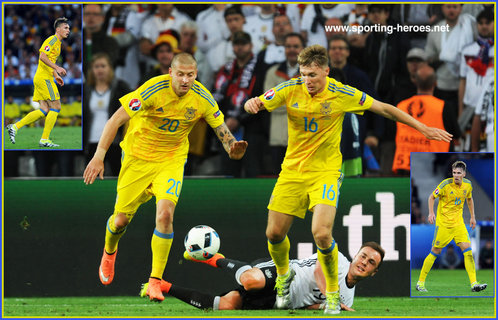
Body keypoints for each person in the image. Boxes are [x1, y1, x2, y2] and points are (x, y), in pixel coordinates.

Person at [244, 44, 452, 314]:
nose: (308, 81)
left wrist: (422, 128)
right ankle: (284, 277)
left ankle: (332, 295)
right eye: (304, 74)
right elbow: (259, 102)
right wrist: (252, 104)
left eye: (314, 75)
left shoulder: (342, 93)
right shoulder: (290, 88)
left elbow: (385, 109)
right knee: (273, 233)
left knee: (321, 233)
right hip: (293, 171)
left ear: (327, 72)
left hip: (327, 172)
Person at [83, 53, 248, 302]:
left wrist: (232, 147)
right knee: (119, 221)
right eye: (180, 74)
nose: (185, 80)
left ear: (195, 75)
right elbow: (116, 119)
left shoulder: (202, 97)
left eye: (190, 75)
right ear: (170, 73)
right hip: (137, 158)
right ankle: (109, 251)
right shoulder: (153, 90)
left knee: (165, 214)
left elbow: (221, 128)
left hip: (170, 160)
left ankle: (154, 281)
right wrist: (99, 156)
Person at [139, 242, 384, 311]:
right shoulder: (338, 260)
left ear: (374, 273)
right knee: (250, 280)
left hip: (280, 302)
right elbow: (320, 271)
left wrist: (319, 306)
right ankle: (213, 258)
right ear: (356, 255)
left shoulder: (348, 301)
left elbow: (314, 305)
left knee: (225, 306)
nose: (364, 262)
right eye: (363, 256)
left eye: (371, 262)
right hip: (284, 273)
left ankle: (163, 285)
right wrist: (332, 300)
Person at [416, 160, 487, 293]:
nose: (456, 175)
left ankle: (474, 284)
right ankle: (420, 283)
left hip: (459, 224)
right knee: (435, 252)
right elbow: (431, 197)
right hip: (444, 224)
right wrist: (431, 213)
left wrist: (472, 217)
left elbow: (470, 199)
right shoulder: (445, 184)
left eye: (458, 173)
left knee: (468, 251)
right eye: (454, 172)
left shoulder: (468, 185)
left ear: (464, 174)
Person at [6, 17, 70, 147]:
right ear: (58, 29)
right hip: (43, 79)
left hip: (43, 77)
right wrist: (57, 67)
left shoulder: (58, 44)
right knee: (56, 107)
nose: (68, 30)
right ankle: (45, 139)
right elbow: (42, 56)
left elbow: (48, 61)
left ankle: (15, 127)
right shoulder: (52, 40)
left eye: (68, 28)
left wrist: (56, 74)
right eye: (65, 28)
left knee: (44, 109)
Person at [392, 65, 461, 175]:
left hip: (405, 165)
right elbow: (456, 136)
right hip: (432, 166)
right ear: (435, 83)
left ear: (415, 82)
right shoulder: (443, 107)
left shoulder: (401, 106)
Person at [83, 53, 131, 177]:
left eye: (103, 66)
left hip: (115, 141)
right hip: (91, 141)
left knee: (119, 176)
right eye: (96, 66)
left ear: (110, 68)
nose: (100, 69)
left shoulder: (121, 87)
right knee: (90, 178)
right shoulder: (86, 89)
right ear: (91, 70)